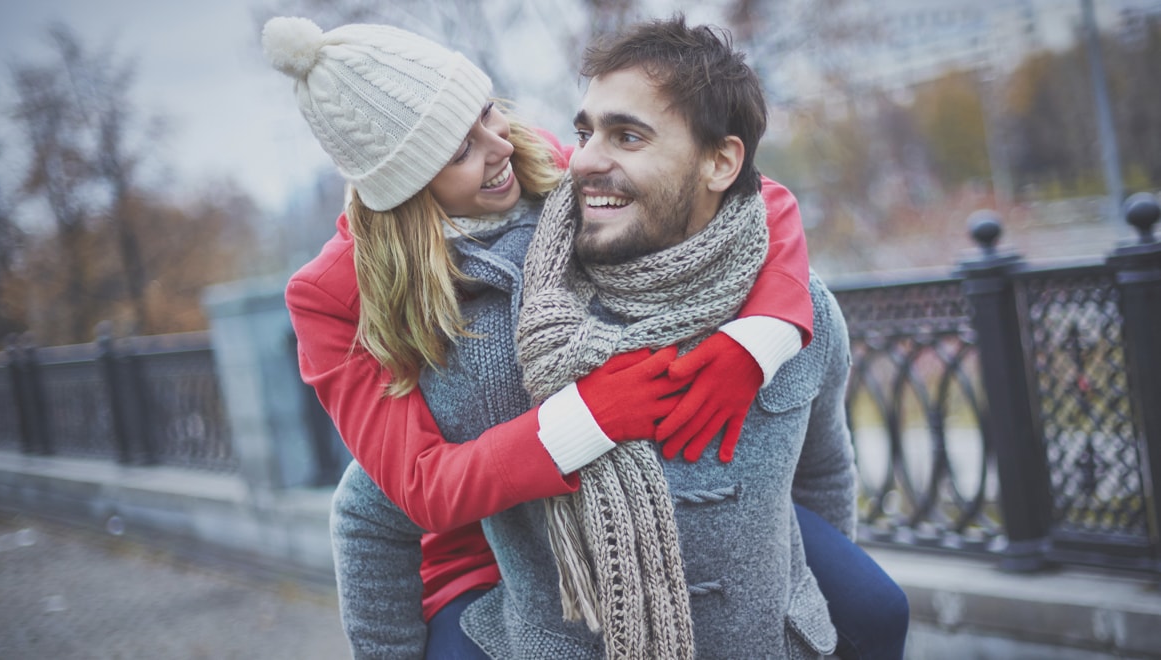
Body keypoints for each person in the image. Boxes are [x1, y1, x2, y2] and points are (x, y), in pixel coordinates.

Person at [262, 15, 905, 660]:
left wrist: (758, 341)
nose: (499, 146)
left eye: (489, 112)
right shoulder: (335, 296)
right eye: (458, 149)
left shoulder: (541, 165)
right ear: (405, 186)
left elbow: (747, 196)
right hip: (470, 541)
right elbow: (407, 491)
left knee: (875, 610)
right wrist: (583, 420)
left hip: (672, 527)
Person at [454, 16, 906, 659]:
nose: (582, 160)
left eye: (627, 136)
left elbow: (824, 472)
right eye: (585, 132)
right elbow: (371, 513)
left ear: (721, 161)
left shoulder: (804, 311)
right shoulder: (501, 325)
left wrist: (801, 612)